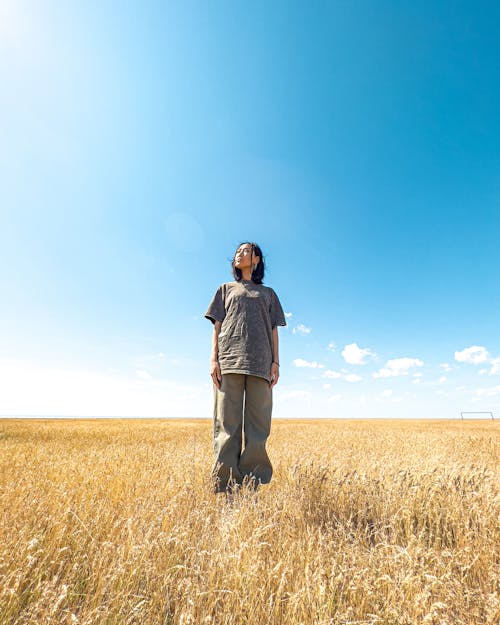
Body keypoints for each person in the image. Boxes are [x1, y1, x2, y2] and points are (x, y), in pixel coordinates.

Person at [205, 242, 286, 494]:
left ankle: (252, 486)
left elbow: (274, 329)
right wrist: (213, 360)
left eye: (246, 250)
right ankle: (226, 487)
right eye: (238, 251)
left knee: (258, 428)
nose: (240, 253)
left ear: (257, 259)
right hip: (229, 361)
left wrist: (275, 362)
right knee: (227, 427)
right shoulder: (225, 289)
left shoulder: (269, 294)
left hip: (261, 364)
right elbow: (216, 327)